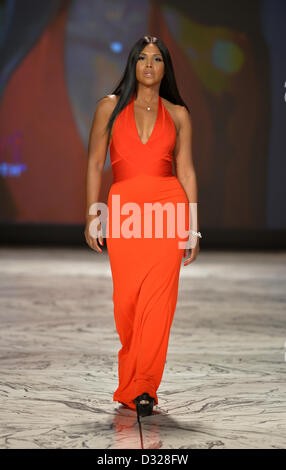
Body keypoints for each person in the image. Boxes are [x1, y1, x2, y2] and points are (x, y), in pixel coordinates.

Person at [84, 35, 200, 419]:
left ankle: (144, 387)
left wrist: (192, 228)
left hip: (168, 210)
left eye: (157, 59)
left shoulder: (178, 113)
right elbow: (94, 162)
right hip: (125, 213)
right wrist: (92, 214)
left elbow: (185, 170)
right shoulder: (109, 107)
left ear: (166, 68)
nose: (149, 65)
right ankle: (131, 381)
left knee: (159, 305)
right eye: (142, 58)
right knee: (127, 304)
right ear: (132, 64)